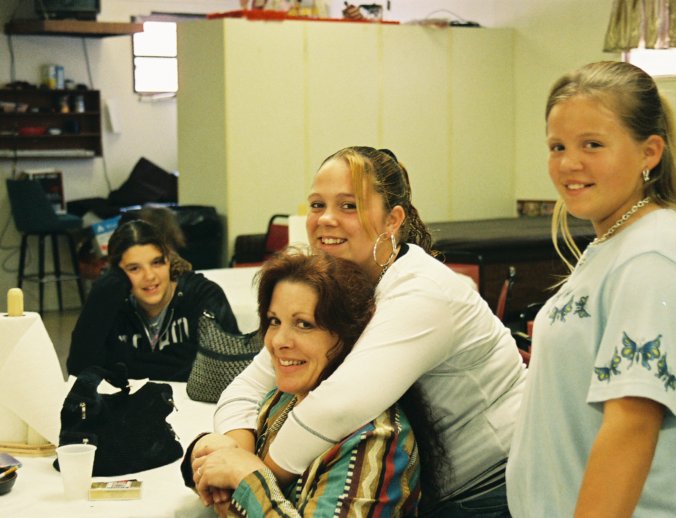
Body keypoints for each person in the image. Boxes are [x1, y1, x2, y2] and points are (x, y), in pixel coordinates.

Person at [205, 146, 527, 517]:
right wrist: (235, 456)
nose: (325, 219)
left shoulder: (422, 292)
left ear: (393, 220)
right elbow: (246, 387)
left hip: (491, 488)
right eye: (315, 204)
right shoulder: (339, 287)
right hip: (426, 488)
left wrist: (249, 478)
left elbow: (337, 406)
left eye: (348, 206)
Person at [505, 61, 676, 517]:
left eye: (593, 145)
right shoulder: (617, 243)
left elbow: (632, 426)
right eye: (557, 146)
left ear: (650, 152)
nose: (568, 163)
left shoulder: (653, 256)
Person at [185, 250, 440, 516]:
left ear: (349, 334)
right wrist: (206, 453)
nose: (279, 341)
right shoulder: (282, 399)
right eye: (274, 321)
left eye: (304, 324)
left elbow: (246, 478)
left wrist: (245, 477)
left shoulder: (375, 440)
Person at [67, 219, 239, 381]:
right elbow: (80, 370)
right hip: (132, 408)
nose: (149, 276)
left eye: (157, 263)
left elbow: (225, 367)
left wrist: (128, 363)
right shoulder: (112, 304)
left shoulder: (201, 295)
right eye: (134, 268)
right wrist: (102, 292)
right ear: (118, 274)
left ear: (169, 261)